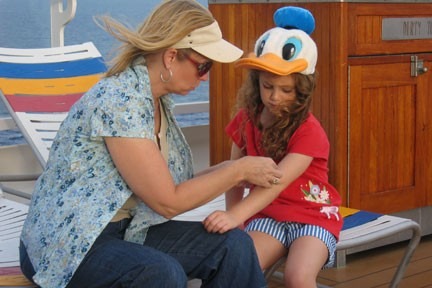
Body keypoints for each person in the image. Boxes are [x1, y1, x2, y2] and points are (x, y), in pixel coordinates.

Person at [19, 1, 283, 287]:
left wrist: (232, 169)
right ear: (171, 57)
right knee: (161, 272)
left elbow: (168, 183)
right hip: (70, 243)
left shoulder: (155, 100)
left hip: (128, 231)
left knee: (234, 245)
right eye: (203, 65)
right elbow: (167, 202)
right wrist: (238, 171)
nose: (206, 76)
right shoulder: (121, 101)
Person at [203, 6, 343, 288]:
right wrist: (238, 224)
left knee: (297, 277)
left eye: (286, 90)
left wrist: (234, 215)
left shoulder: (310, 131)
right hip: (267, 216)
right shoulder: (246, 120)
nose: (275, 97)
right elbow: (235, 175)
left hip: (313, 217)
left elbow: (275, 182)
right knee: (239, 265)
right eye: (268, 87)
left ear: (302, 90)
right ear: (257, 83)